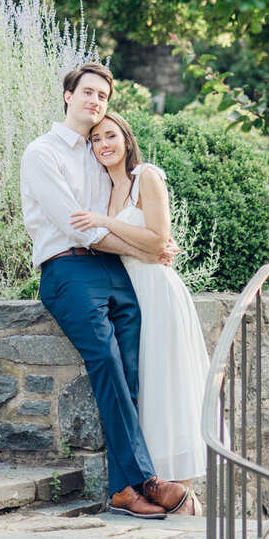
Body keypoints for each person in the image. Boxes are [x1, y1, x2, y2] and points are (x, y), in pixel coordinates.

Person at [19, 61, 191, 520]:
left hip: (116, 271)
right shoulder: (42, 153)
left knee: (131, 373)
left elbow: (129, 213)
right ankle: (145, 480)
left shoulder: (100, 154)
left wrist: (152, 245)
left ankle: (121, 490)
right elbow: (79, 230)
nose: (96, 102)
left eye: (104, 97)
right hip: (68, 271)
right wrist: (148, 250)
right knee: (107, 363)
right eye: (88, 92)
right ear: (68, 95)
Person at [74, 110, 210, 499]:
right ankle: (156, 484)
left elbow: (157, 238)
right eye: (96, 139)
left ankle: (182, 492)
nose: (104, 145)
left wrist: (107, 221)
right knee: (141, 385)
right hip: (123, 291)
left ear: (127, 139)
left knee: (166, 382)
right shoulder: (100, 187)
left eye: (111, 136)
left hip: (156, 289)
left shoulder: (146, 177)